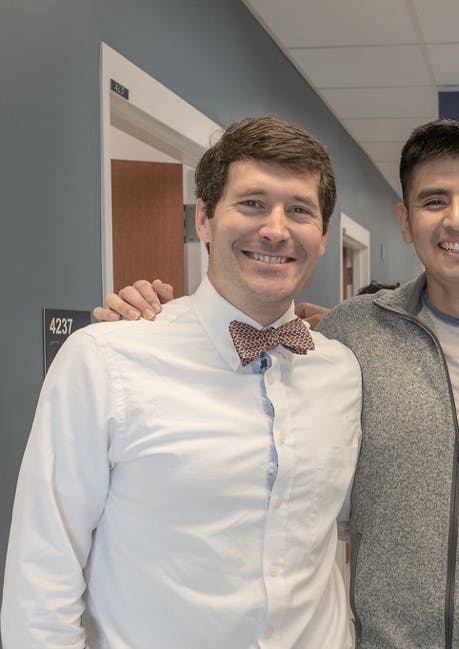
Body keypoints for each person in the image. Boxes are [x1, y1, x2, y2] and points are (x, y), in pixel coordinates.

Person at [90, 119, 459, 648]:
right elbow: (249, 351)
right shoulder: (352, 334)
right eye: (434, 200)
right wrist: (159, 320)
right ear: (405, 218)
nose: (457, 219)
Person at [1, 117, 362, 648]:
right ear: (206, 220)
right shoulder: (106, 358)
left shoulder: (341, 370)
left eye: (300, 210)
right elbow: (42, 573)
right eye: (252, 203)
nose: (276, 229)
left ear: (324, 236)